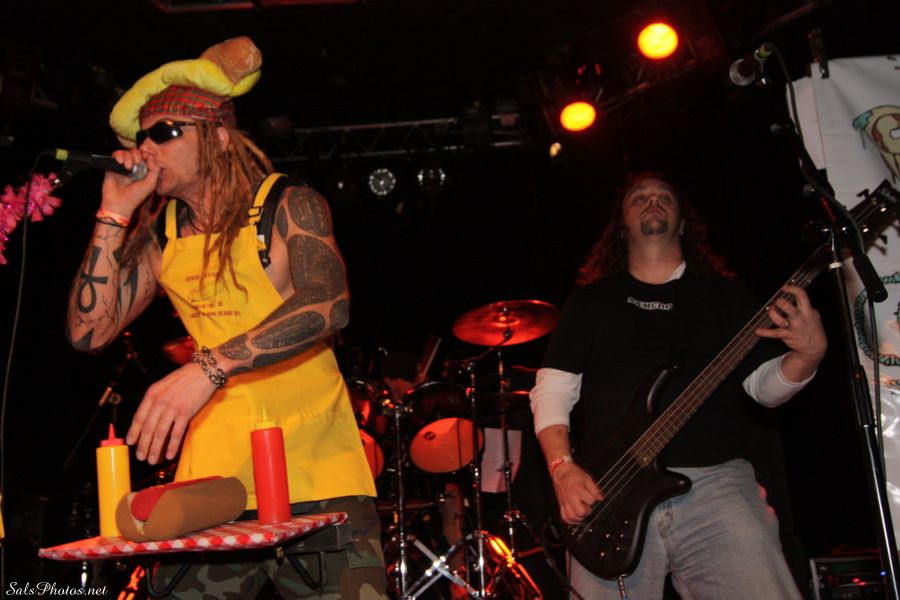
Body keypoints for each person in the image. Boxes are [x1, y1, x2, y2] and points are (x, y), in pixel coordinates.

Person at [65, 37, 387, 599]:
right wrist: (113, 212)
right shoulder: (163, 232)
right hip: (212, 487)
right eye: (141, 137)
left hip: (318, 470)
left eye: (165, 132)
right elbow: (87, 332)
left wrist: (209, 367)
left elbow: (329, 302)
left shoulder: (286, 202)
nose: (146, 148)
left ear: (216, 137)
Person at [529, 173, 827, 599]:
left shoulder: (724, 296)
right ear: (621, 226)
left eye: (664, 197)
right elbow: (553, 390)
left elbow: (763, 389)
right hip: (608, 492)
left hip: (716, 484)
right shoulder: (590, 301)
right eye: (639, 197)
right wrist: (562, 469)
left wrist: (807, 357)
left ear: (684, 224)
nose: (652, 201)